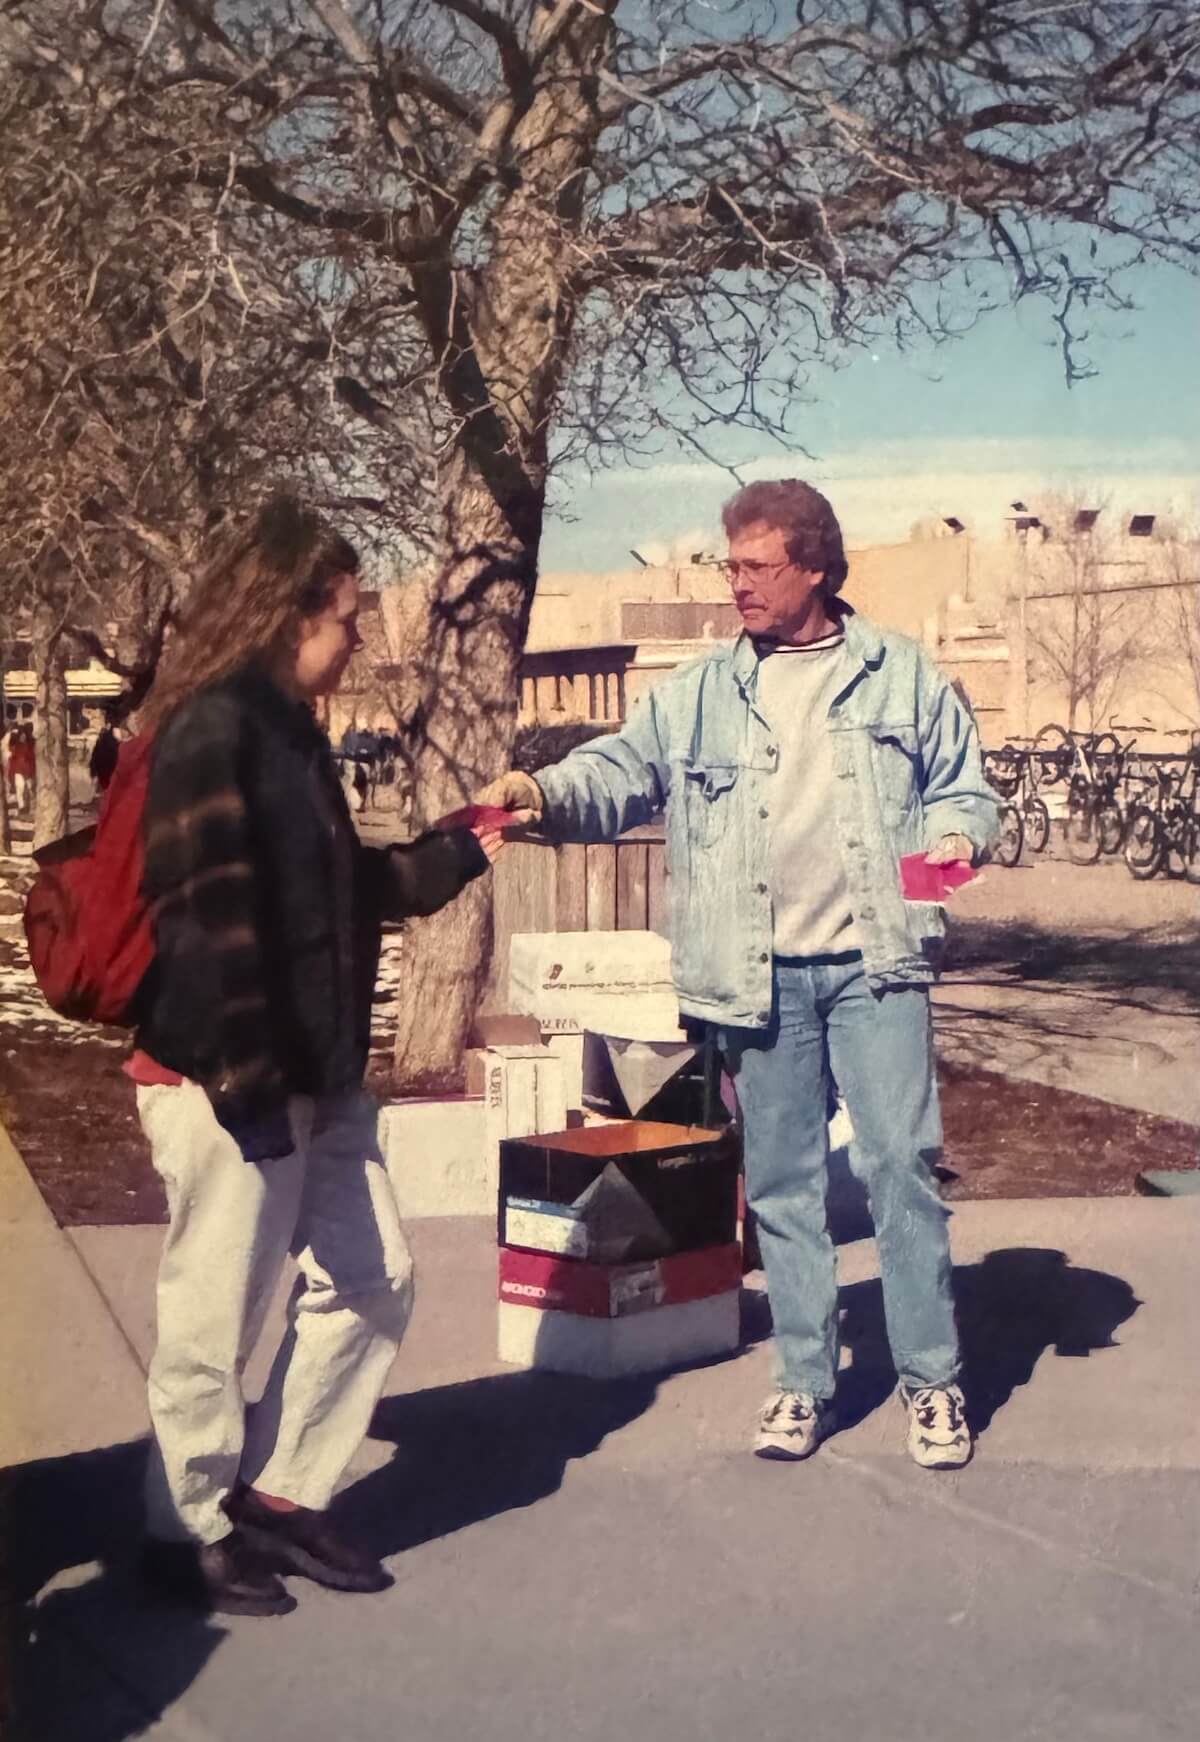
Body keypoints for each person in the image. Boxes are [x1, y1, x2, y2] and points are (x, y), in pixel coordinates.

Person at [476, 479, 997, 1471]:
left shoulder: (902, 673)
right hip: (758, 980)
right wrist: (539, 791)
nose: (738, 585)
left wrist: (933, 871)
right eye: (732, 565)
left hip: (876, 968)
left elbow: (964, 795)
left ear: (814, 567)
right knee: (786, 1188)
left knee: (901, 1169)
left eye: (758, 567)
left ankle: (933, 1379)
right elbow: (621, 769)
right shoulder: (706, 689)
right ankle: (804, 1381)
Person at [129, 496, 504, 1619]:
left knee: (375, 1275)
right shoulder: (213, 728)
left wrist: (456, 850)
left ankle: (283, 1491)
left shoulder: (291, 728)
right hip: (229, 1074)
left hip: (318, 1072)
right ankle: (182, 1524)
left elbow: (334, 890)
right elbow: (207, 922)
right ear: (291, 611)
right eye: (348, 615)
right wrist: (246, 1084)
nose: (357, 640)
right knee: (215, 1314)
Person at [89, 715, 121, 794]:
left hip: (107, 772)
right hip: (107, 771)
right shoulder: (106, 739)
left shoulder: (104, 738)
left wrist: (93, 772)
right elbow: (96, 756)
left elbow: (95, 756)